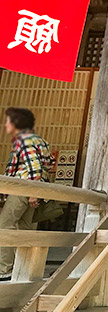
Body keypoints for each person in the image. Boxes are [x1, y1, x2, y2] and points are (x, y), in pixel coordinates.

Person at [0, 107, 54, 280]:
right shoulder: (40, 140)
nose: (6, 124)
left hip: (24, 187)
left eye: (8, 121)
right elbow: (50, 163)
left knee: (5, 225)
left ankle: (4, 269)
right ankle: (24, 269)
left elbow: (34, 167)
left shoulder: (24, 140)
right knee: (26, 229)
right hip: (34, 188)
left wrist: (32, 191)